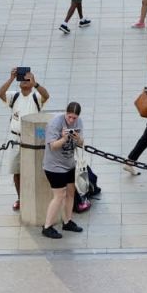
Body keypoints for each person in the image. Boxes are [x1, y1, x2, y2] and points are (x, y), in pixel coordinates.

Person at [0, 67, 49, 210]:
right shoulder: (14, 96)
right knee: (16, 170)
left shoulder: (35, 97)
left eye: (28, 79)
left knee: (35, 169)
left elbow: (46, 95)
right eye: (23, 78)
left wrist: (36, 84)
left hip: (33, 138)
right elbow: (0, 93)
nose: (25, 81)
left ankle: (37, 197)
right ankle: (21, 198)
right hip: (16, 138)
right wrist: (10, 78)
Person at [40, 102, 84, 239]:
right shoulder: (55, 123)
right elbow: (52, 146)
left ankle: (67, 221)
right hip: (54, 166)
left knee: (71, 192)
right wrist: (64, 138)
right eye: (69, 117)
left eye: (74, 118)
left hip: (69, 164)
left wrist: (77, 138)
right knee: (59, 195)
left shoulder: (79, 122)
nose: (71, 120)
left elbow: (82, 144)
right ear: (66, 113)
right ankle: (47, 226)